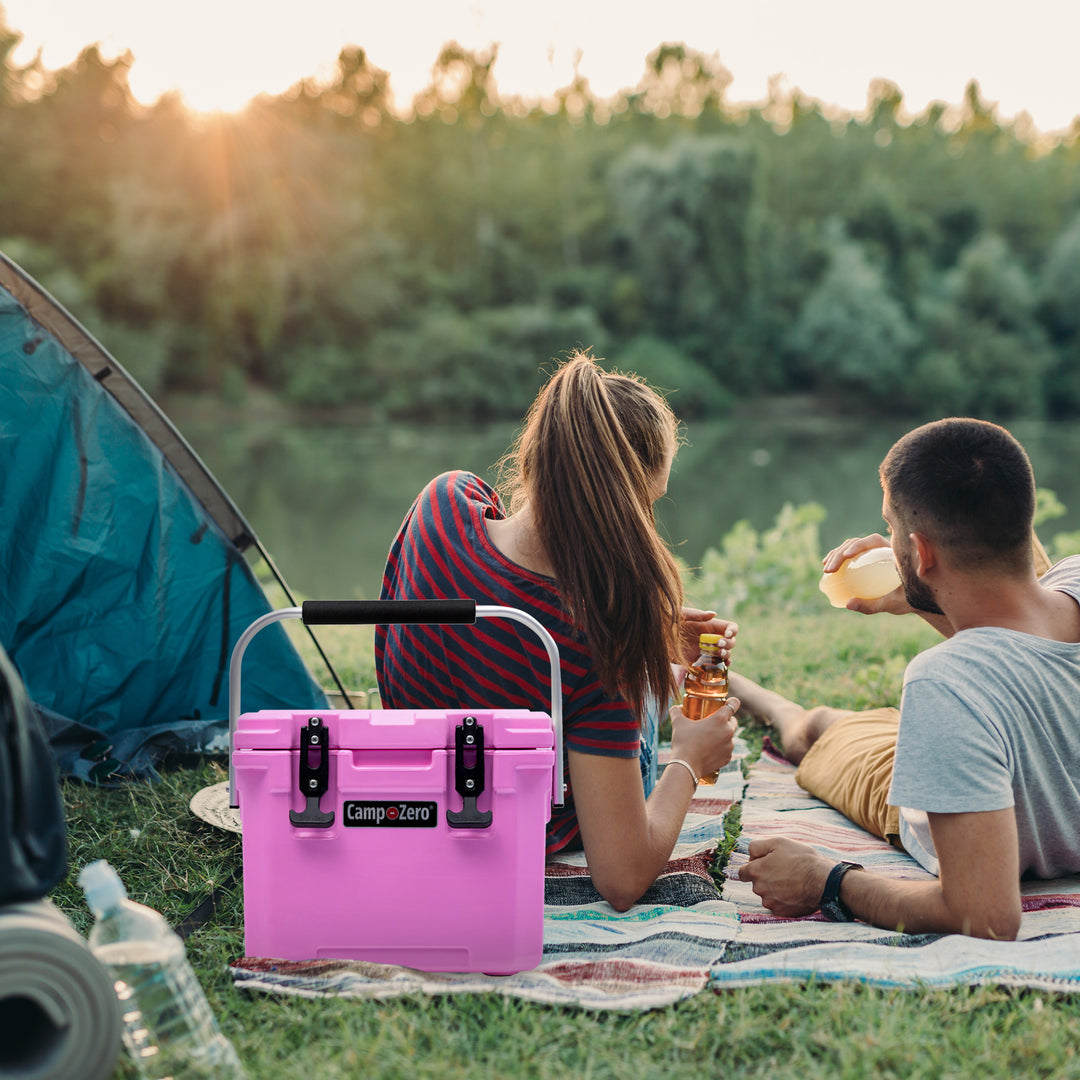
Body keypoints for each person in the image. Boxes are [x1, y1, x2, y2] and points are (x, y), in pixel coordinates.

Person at [375, 352, 741, 911]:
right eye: (647, 503)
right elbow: (621, 878)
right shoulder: (599, 635)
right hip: (516, 823)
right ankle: (666, 687)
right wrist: (689, 760)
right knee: (647, 699)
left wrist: (655, 635)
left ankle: (662, 674)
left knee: (630, 677)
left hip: (419, 787)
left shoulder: (443, 503)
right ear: (624, 503)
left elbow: (506, 597)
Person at [734, 417, 1080, 940]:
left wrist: (826, 881)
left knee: (813, 730)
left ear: (920, 552)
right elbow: (1021, 640)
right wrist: (923, 591)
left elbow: (985, 915)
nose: (886, 542)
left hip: (927, 803)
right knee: (835, 723)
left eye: (891, 529)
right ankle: (741, 685)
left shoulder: (944, 684)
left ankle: (741, 687)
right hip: (990, 738)